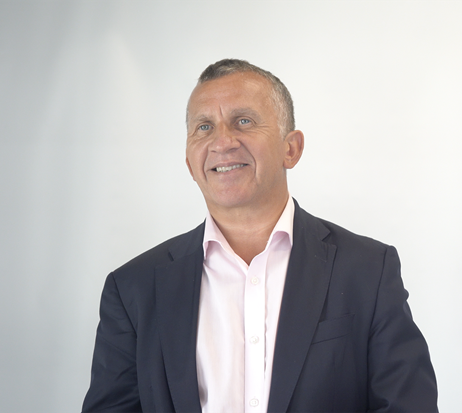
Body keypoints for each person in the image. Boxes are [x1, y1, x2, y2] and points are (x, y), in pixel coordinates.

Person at [82, 59, 438, 413]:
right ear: (190, 163)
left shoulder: (367, 270)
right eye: (204, 127)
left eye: (244, 121)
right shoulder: (133, 289)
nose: (222, 141)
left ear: (291, 149)